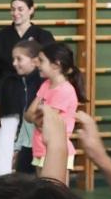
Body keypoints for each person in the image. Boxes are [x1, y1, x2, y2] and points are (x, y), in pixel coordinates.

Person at [0, 39, 42, 180]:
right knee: (21, 180)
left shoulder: (44, 84)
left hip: (37, 141)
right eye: (13, 59)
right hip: (20, 142)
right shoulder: (8, 82)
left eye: (19, 59)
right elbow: (1, 114)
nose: (14, 63)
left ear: (34, 61)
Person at [26, 41, 84, 174]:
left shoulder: (65, 90)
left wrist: (37, 118)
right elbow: (28, 115)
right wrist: (36, 118)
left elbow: (44, 122)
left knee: (56, 191)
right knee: (42, 191)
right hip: (41, 148)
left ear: (56, 65)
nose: (38, 64)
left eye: (41, 61)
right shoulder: (46, 85)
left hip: (56, 150)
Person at [0, 0, 55, 97]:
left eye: (20, 9)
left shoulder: (43, 36)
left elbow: (50, 64)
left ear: (31, 10)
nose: (15, 13)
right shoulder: (1, 36)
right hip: (8, 90)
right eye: (13, 9)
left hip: (37, 90)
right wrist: (0, 86)